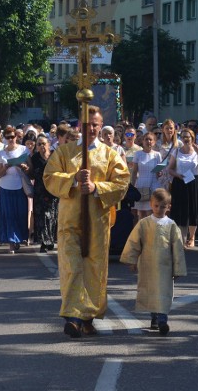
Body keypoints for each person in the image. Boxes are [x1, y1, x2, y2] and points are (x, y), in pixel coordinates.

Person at [43, 105, 130, 338]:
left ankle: (87, 317)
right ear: (79, 126)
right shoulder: (64, 152)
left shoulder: (110, 154)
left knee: (94, 269)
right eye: (87, 124)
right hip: (70, 221)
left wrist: (96, 188)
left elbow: (122, 183)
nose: (91, 128)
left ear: (101, 126)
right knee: (72, 266)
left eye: (95, 125)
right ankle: (73, 316)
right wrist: (72, 179)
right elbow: (49, 178)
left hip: (98, 222)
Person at [120, 188, 187, 335]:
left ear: (168, 207)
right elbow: (134, 242)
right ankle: (154, 318)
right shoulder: (144, 223)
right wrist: (131, 260)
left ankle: (163, 320)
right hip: (148, 264)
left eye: (163, 206)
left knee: (163, 291)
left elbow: (177, 248)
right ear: (151, 205)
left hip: (165, 266)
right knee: (151, 291)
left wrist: (178, 268)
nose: (159, 209)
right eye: (156, 206)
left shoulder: (171, 225)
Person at [167, 128, 198, 247]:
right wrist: (178, 175)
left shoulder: (197, 151)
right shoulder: (176, 151)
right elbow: (170, 169)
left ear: (192, 138)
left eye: (188, 137)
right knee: (181, 210)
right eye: (183, 136)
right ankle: (182, 238)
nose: (185, 139)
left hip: (194, 182)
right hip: (180, 182)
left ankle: (192, 237)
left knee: (193, 210)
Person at [0, 126, 30, 253]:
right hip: (5, 187)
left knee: (20, 214)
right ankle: (11, 242)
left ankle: (19, 239)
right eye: (8, 137)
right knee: (9, 216)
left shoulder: (23, 150)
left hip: (19, 186)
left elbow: (30, 168)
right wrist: (6, 167)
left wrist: (24, 166)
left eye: (13, 136)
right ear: (5, 138)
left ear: (16, 137)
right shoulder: (1, 153)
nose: (11, 139)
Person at [27, 134, 58, 253]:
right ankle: (43, 242)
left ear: (48, 144)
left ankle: (50, 240)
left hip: (52, 190)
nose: (41, 146)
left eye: (43, 144)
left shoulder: (54, 156)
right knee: (41, 217)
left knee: (52, 217)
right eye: (39, 144)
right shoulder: (34, 158)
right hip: (40, 190)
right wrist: (27, 169)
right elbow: (31, 175)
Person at [130, 132, 162, 221]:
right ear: (143, 141)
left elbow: (159, 172)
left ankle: (150, 233)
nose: (148, 141)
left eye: (150, 139)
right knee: (141, 214)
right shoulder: (138, 154)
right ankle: (143, 234)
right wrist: (132, 186)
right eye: (146, 139)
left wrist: (159, 173)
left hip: (153, 185)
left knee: (150, 213)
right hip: (141, 185)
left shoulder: (157, 155)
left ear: (154, 142)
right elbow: (134, 171)